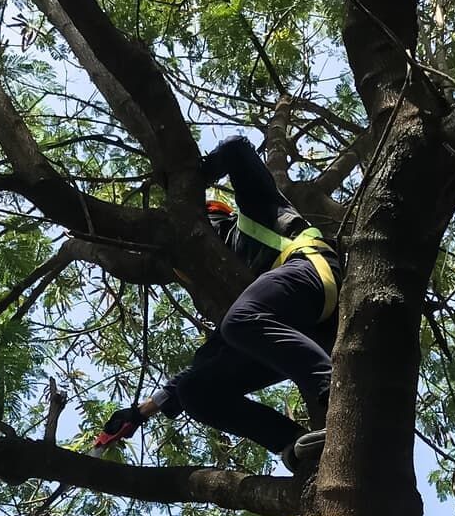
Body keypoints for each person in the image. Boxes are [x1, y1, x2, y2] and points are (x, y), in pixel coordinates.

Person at [96, 136, 340, 473]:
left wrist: (197, 175)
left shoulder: (255, 212)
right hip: (292, 320)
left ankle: (338, 400)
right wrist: (141, 412)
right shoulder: (246, 295)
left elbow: (236, 147)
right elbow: (194, 372)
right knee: (197, 389)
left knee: (239, 322)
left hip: (313, 273)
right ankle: (295, 445)